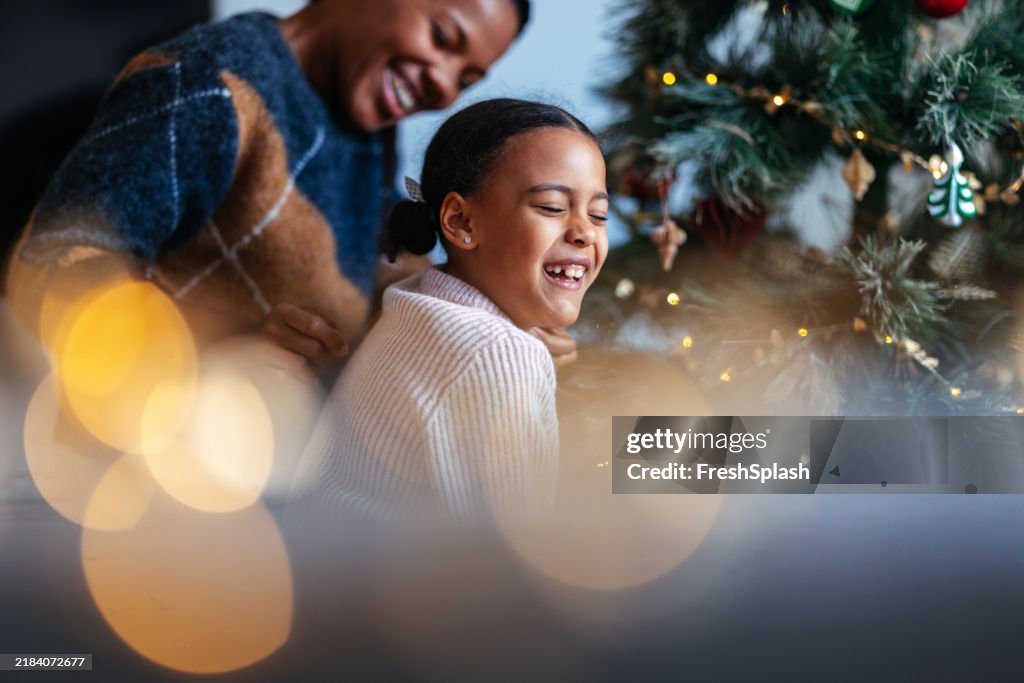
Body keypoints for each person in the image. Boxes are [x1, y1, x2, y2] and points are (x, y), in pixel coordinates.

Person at [3, 0, 574, 378]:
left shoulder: (365, 122)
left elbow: (368, 263)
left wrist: (498, 315)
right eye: (443, 37)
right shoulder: (208, 87)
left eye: (468, 78)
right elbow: (52, 261)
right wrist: (209, 356)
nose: (445, 86)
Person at [290, 98, 608, 522]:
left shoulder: (414, 299)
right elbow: (513, 563)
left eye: (599, 213)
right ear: (460, 221)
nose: (586, 231)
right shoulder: (501, 352)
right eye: (552, 206)